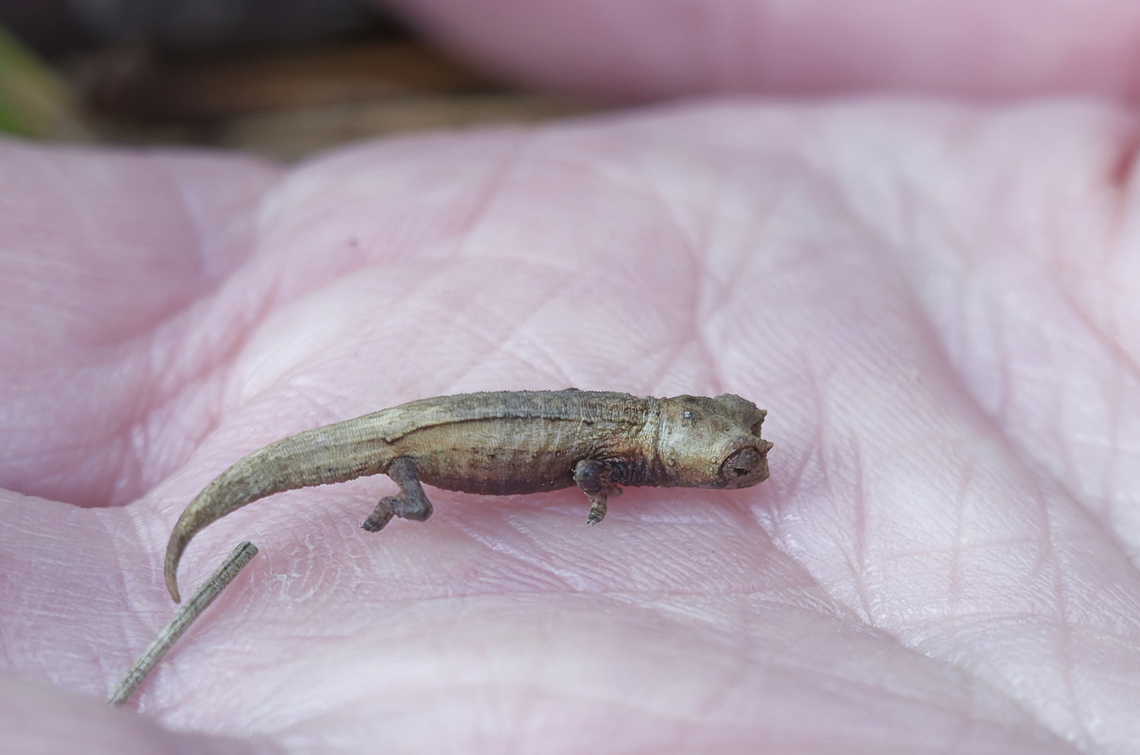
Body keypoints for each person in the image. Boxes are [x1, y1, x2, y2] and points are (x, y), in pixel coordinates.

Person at [3, 2, 1138, 751]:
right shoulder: (617, 454)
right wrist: (564, 498)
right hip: (421, 449)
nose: (751, 462)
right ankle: (362, 507)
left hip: (448, 417)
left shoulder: (640, 428)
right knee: (392, 481)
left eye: (740, 447)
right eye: (735, 454)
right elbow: (588, 454)